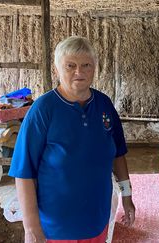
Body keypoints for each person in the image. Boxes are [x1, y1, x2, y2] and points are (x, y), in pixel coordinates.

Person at [8, 36, 135, 243]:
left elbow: (118, 154)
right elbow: (24, 171)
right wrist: (31, 228)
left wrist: (127, 196)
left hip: (97, 220)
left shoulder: (104, 104)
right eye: (70, 65)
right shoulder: (43, 109)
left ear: (94, 68)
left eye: (86, 65)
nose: (79, 72)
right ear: (57, 69)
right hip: (56, 228)